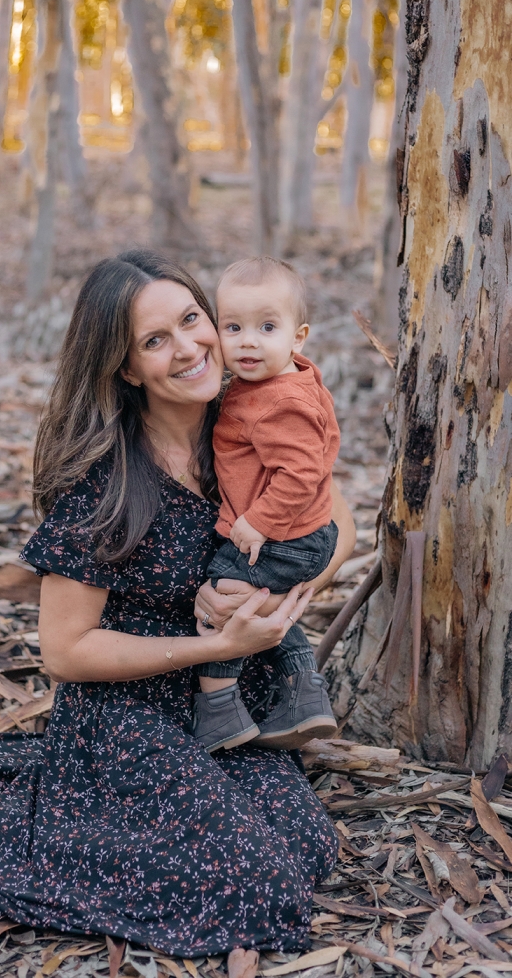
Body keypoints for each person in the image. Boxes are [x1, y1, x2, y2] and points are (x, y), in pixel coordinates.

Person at [0, 250, 354, 964]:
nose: (192, 347)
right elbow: (66, 651)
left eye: (194, 320)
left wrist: (284, 597)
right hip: (125, 717)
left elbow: (335, 521)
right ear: (128, 367)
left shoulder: (249, 412)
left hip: (218, 711)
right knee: (254, 887)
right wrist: (217, 647)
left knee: (305, 841)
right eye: (156, 340)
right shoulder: (105, 482)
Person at [192, 257, 340, 753]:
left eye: (266, 327)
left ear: (297, 337)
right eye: (233, 327)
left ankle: (218, 709)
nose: (248, 341)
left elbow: (301, 473)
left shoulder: (280, 402)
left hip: (285, 533)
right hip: (302, 533)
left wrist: (258, 521)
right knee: (255, 602)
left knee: (225, 599)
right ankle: (304, 693)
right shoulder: (279, 383)